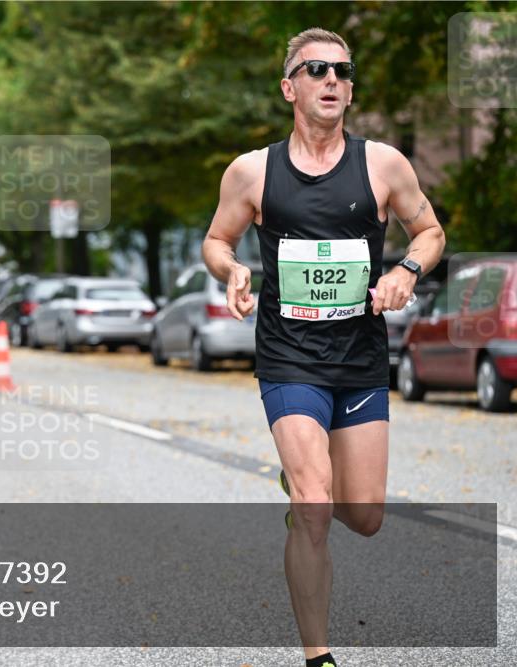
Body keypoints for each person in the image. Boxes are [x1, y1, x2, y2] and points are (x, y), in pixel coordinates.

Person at [202, 28, 445, 667]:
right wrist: (231, 271)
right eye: (316, 69)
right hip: (289, 354)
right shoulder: (252, 171)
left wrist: (405, 273)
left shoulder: (384, 165)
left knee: (362, 516)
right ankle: (318, 655)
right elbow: (215, 239)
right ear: (290, 87)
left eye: (342, 69)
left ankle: (303, 484)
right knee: (316, 503)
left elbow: (430, 230)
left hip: (360, 355)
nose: (332, 79)